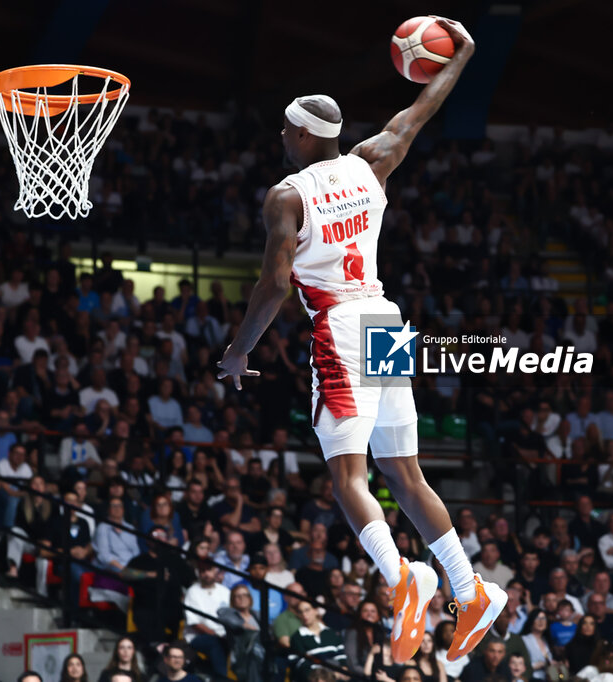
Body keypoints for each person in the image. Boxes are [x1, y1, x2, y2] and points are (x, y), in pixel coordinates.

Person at [215, 17, 503, 665]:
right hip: (386, 322)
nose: (282, 138)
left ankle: (403, 577)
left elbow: (273, 286)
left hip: (341, 328)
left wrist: (239, 351)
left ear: (302, 135)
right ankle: (468, 586)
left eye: (286, 130)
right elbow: (422, 108)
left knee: (347, 475)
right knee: (403, 471)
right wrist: (466, 54)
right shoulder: (374, 159)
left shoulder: (285, 195)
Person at [183, 561, 230, 677]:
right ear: (198, 573)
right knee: (215, 643)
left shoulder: (224, 591)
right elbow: (194, 623)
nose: (206, 574)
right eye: (202, 571)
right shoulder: (192, 592)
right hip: (197, 636)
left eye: (209, 570)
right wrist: (216, 635)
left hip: (225, 634)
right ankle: (221, 679)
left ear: (215, 571)